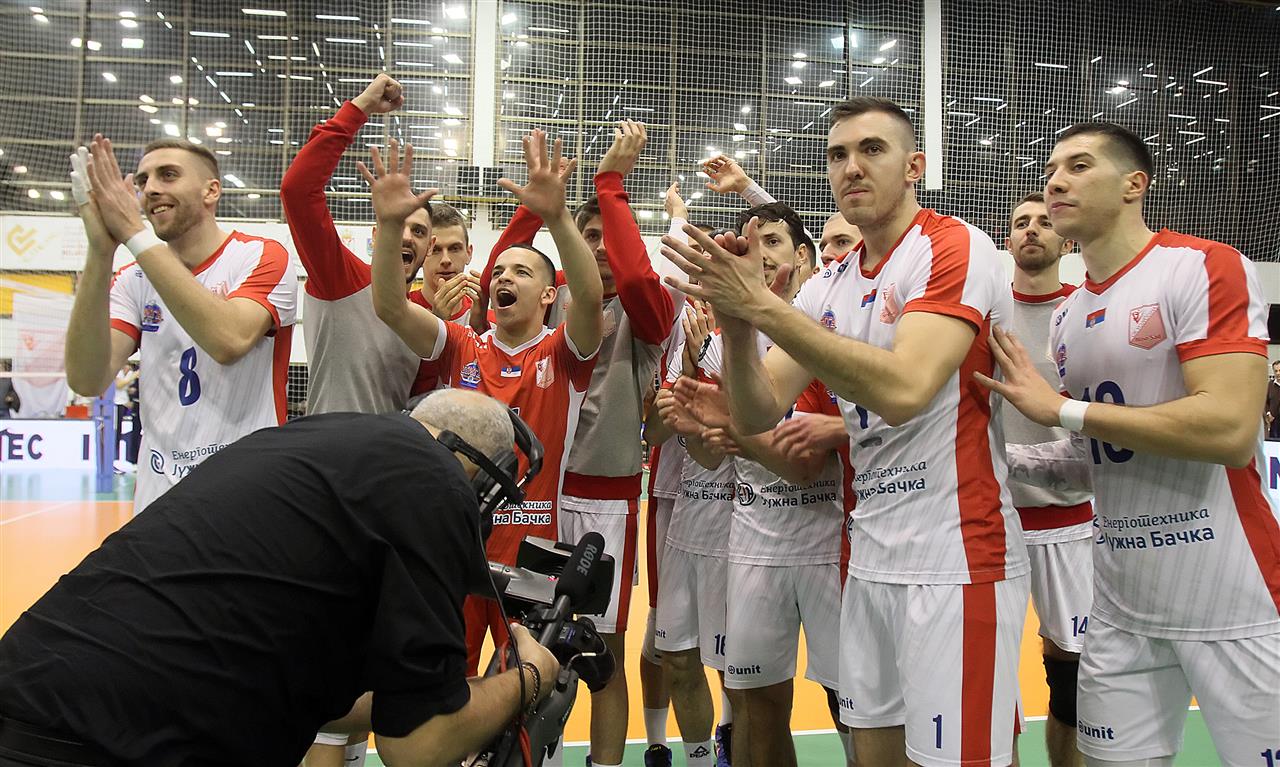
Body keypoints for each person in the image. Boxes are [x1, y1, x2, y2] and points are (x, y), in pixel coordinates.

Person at [662, 96, 1029, 767]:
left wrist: (762, 307)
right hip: (867, 559)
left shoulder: (954, 246)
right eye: (837, 155)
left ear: (915, 166)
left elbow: (906, 388)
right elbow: (758, 409)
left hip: (955, 557)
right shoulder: (829, 284)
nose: (851, 166)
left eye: (872, 150)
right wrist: (739, 328)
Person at [0, 390, 560, 767]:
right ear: (482, 475)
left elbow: (285, 673)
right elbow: (417, 747)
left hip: (34, 692)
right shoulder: (434, 481)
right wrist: (532, 677)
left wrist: (428, 698)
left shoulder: (305, 439)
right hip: (124, 740)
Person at [981, 122, 1280, 767]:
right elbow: (1100, 457)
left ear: (1134, 185)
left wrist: (1062, 409)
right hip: (1120, 603)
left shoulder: (1201, 265)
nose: (1056, 181)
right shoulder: (1068, 317)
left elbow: (1230, 430)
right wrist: (994, 464)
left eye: (1079, 165)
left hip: (1231, 594)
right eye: (1051, 169)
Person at [367, 130, 604, 678]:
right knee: (451, 680)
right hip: (459, 542)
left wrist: (557, 217)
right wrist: (388, 226)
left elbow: (591, 297)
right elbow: (389, 306)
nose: (503, 277)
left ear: (548, 295)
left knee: (524, 683)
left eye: (521, 271)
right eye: (498, 271)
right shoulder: (461, 344)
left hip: (533, 552)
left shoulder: (561, 353)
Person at [673, 203, 849, 767]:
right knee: (755, 704)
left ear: (804, 257)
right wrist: (693, 424)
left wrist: (734, 430)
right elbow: (707, 456)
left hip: (827, 542)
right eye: (752, 243)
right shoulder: (719, 341)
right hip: (753, 540)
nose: (762, 253)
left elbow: (807, 464)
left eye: (773, 240)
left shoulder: (825, 330)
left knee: (853, 706)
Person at [63, 135, 297, 514]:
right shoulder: (132, 278)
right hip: (159, 500)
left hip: (247, 496)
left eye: (168, 175)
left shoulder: (260, 255)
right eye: (142, 181)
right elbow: (87, 380)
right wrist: (100, 251)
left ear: (211, 191)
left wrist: (133, 232)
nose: (150, 189)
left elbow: (228, 340)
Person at [281, 74, 499, 417]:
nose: (406, 235)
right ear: (376, 234)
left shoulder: (419, 318)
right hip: (332, 447)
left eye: (418, 230)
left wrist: (446, 327)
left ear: (428, 248)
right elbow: (297, 191)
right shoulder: (340, 278)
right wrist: (360, 108)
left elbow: (417, 403)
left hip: (389, 448)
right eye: (396, 224)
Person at [1002, 192, 1093, 766]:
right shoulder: (986, 314)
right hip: (997, 519)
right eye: (1020, 223)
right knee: (989, 677)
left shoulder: (1085, 311)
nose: (1032, 230)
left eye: (1044, 221)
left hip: (1071, 520)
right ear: (1007, 239)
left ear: (1066, 239)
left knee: (1072, 678)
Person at [1266, 360, 1280, 440]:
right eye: (1276, 371)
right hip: (1274, 425)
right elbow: (1265, 402)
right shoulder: (1270, 385)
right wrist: (1268, 413)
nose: (1278, 373)